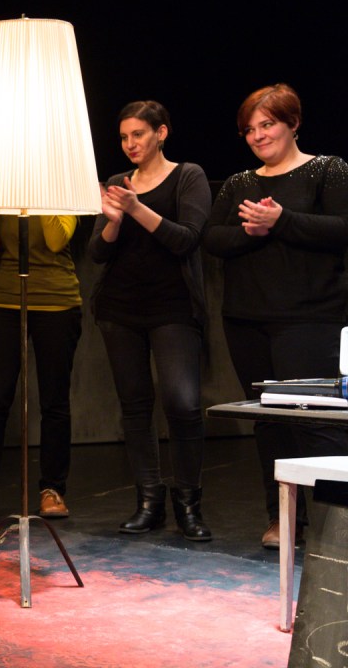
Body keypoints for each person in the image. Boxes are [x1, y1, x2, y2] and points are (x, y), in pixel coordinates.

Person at [202, 82, 348, 549]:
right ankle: (282, 520)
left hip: (310, 318)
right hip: (247, 319)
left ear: (293, 123)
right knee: (269, 422)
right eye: (249, 129)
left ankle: (332, 526)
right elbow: (212, 238)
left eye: (267, 125)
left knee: (315, 422)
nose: (258, 136)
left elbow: (341, 229)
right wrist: (254, 230)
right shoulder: (240, 183)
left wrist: (280, 220)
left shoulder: (328, 170)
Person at [89, 101, 212, 541]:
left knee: (183, 404)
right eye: (124, 137)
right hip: (120, 308)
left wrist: (136, 208)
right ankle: (148, 503)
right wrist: (113, 221)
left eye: (138, 134)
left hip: (172, 306)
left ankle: (188, 506)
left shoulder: (188, 176)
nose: (130, 144)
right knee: (135, 406)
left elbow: (187, 239)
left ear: (161, 132)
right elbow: (97, 252)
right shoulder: (117, 182)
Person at [0, 214, 82, 524]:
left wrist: (41, 195)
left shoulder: (62, 189)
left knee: (55, 400)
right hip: (3, 299)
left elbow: (56, 240)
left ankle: (53, 489)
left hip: (56, 299)